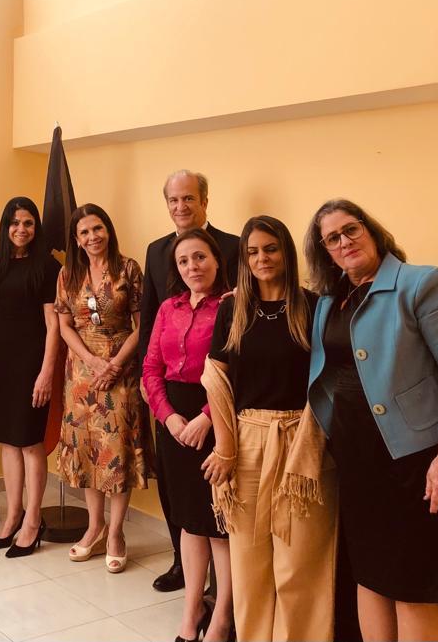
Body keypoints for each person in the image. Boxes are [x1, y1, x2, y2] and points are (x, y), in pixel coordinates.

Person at [302, 199, 438, 641]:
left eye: (351, 229)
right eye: (332, 238)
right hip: (359, 465)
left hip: (415, 466)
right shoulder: (331, 302)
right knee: (370, 579)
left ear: (372, 230)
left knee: (411, 590)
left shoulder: (421, 283)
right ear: (326, 252)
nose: (344, 242)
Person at [201, 216, 336, 641]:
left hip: (303, 442)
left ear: (287, 253)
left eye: (271, 248)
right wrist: (225, 447)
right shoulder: (232, 309)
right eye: (253, 251)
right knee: (250, 562)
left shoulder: (313, 307)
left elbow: (330, 380)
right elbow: (215, 378)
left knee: (300, 564)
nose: (262, 258)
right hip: (246, 442)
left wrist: (309, 445)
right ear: (243, 258)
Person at [139, 169, 239, 591]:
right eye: (173, 200)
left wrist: (207, 415)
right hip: (167, 391)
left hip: (216, 395)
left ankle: (224, 589)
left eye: (189, 198)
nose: (181, 207)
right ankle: (184, 565)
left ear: (205, 200)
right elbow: (149, 320)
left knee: (215, 508)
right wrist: (154, 397)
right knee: (176, 494)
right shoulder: (157, 250)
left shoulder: (235, 247)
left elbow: (241, 345)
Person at [142, 228, 232, 642]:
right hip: (174, 426)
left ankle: (222, 619)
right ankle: (192, 610)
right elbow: (151, 369)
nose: (192, 267)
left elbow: (242, 371)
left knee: (217, 525)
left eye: (200, 258)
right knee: (189, 525)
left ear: (216, 260)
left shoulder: (232, 306)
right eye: (184, 261)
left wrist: (207, 417)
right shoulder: (168, 307)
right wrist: (169, 418)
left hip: (215, 421)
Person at [55, 203, 151, 573]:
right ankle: (94, 527)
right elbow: (65, 326)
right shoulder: (68, 273)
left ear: (108, 230)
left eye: (97, 229)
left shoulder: (129, 269)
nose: (92, 237)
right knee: (87, 452)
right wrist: (93, 362)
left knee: (117, 450)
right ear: (76, 240)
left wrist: (114, 364)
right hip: (82, 376)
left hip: (121, 372)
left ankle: (115, 533)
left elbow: (142, 325)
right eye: (84, 232)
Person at [0, 197, 61, 557]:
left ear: (36, 228)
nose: (21, 229)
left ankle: (34, 520)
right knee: (7, 441)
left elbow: (53, 325)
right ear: (5, 227)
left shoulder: (48, 267)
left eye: (28, 223)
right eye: (14, 223)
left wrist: (46, 373)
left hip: (31, 364)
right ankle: (12, 517)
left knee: (29, 442)